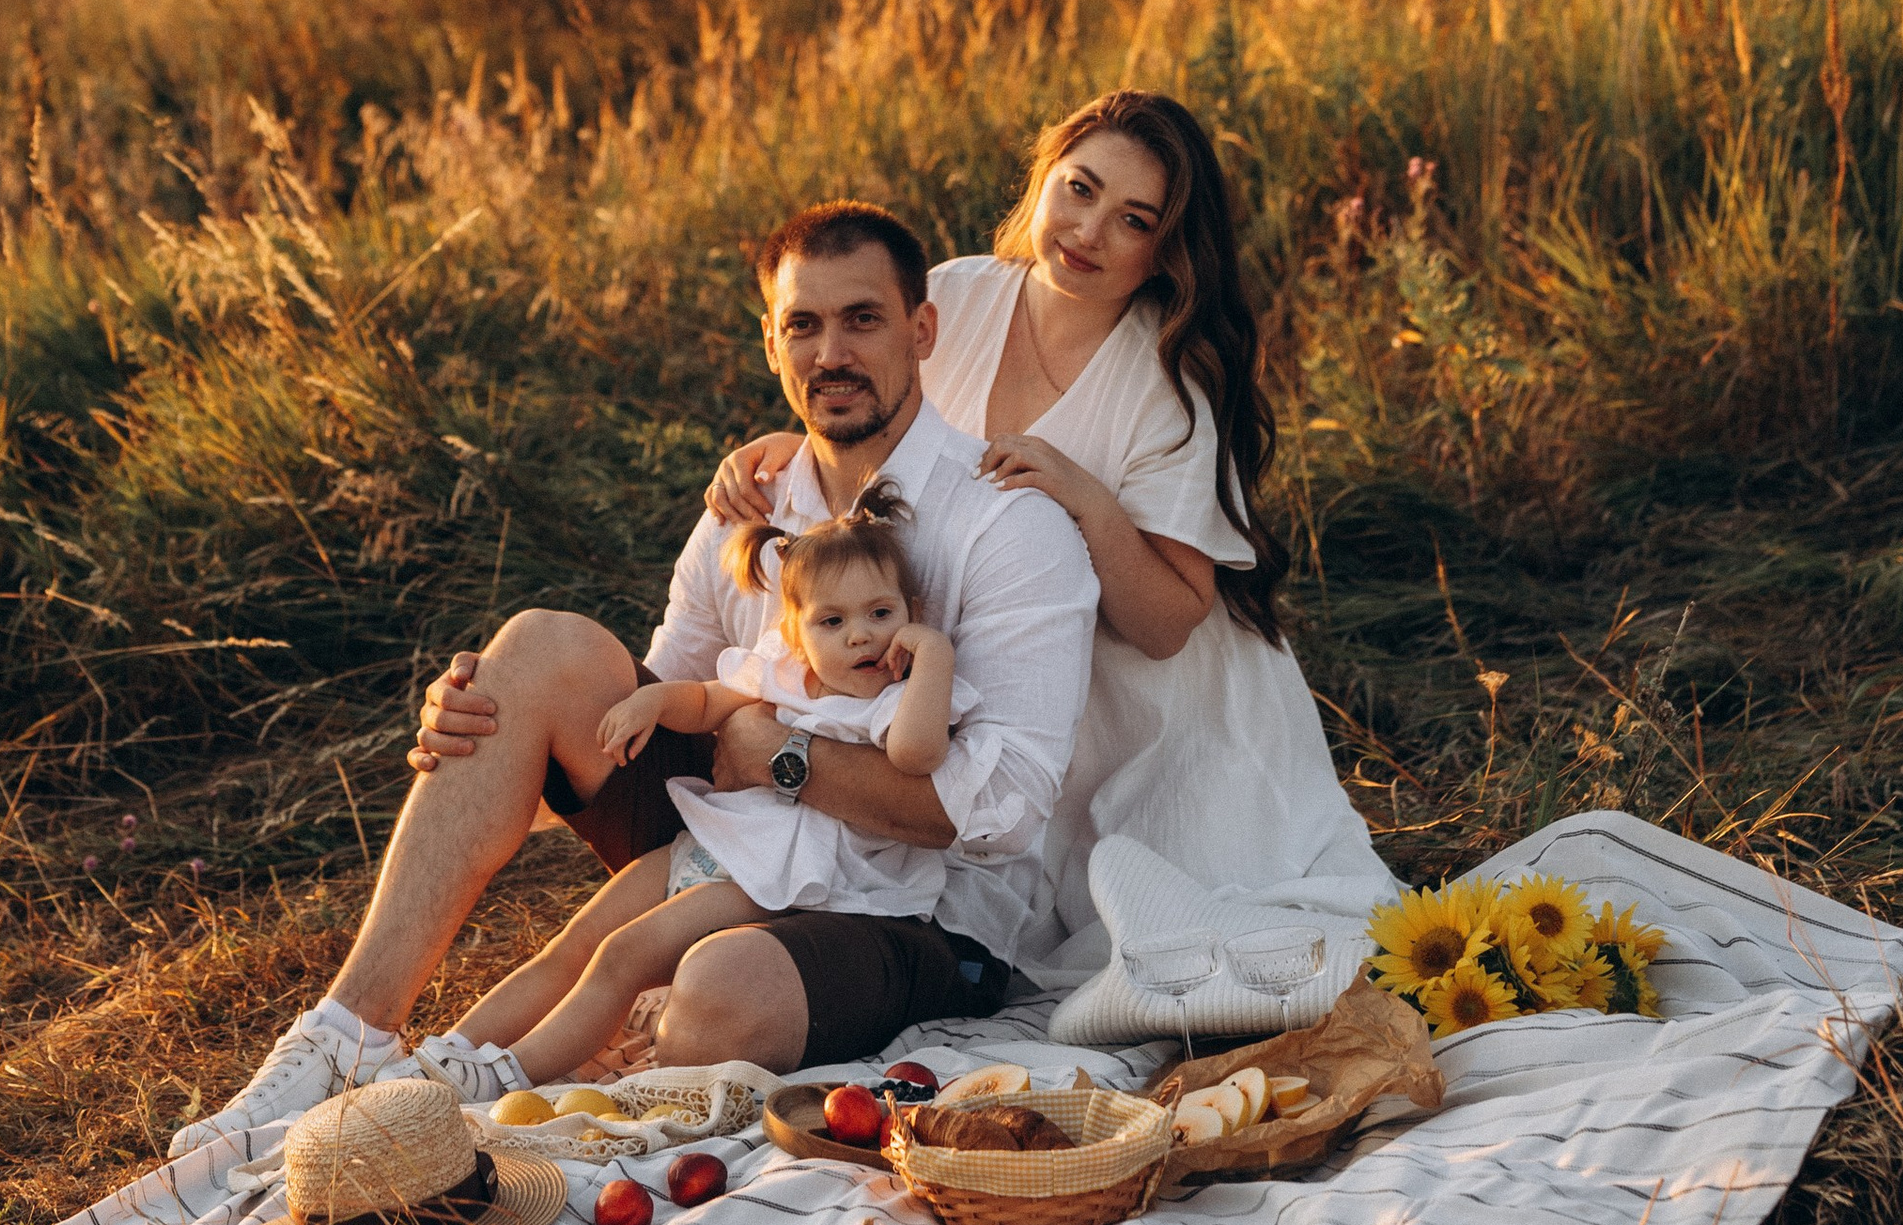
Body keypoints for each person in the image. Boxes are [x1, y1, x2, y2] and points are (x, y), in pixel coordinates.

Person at [168, 202, 1098, 1166]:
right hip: (742, 843)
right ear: (771, 342)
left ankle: (526, 1070)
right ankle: (345, 1040)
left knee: (718, 993)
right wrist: (491, 744)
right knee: (535, 650)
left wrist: (781, 758)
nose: (832, 353)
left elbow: (1002, 813)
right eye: (803, 325)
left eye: (862, 319)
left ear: (922, 330)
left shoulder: (1006, 525)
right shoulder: (753, 507)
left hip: (918, 910)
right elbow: (653, 712)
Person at [709, 92, 1384, 972]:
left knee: (1167, 938)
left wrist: (1088, 501)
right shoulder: (955, 295)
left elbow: (1169, 623)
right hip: (987, 670)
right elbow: (876, 416)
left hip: (1158, 713)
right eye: (1080, 189)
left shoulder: (1173, 381)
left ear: (1165, 251)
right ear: (1043, 180)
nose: (1089, 232)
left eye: (1133, 220)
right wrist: (793, 445)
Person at [443, 482, 968, 1088]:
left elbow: (916, 753)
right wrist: (653, 700)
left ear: (911, 613)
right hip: (713, 846)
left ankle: (508, 1075)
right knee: (577, 942)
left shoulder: (898, 702)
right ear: (798, 634)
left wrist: (933, 654)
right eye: (833, 620)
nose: (861, 636)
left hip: (772, 881)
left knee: (623, 956)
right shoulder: (785, 675)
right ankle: (454, 1050)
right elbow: (705, 703)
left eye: (882, 614)